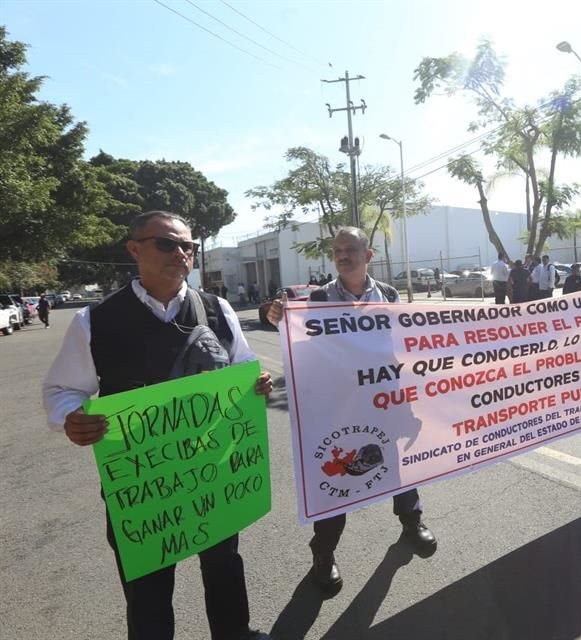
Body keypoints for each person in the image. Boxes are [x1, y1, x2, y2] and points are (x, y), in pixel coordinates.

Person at [41, 210, 273, 640]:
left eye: (188, 246)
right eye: (167, 243)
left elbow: (244, 368)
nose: (181, 253)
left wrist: (256, 383)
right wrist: (71, 418)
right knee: (148, 585)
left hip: (212, 474)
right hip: (143, 485)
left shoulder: (217, 309)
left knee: (224, 565)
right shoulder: (96, 321)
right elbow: (61, 389)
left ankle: (234, 633)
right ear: (135, 249)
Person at [267, 227, 437, 597]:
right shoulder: (318, 298)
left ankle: (412, 522)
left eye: (350, 249)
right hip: (339, 407)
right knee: (338, 475)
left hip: (386, 400)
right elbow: (303, 343)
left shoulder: (388, 295)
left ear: (368, 254)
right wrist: (281, 319)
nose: (343, 256)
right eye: (337, 250)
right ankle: (324, 552)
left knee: (400, 467)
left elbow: (400, 348)